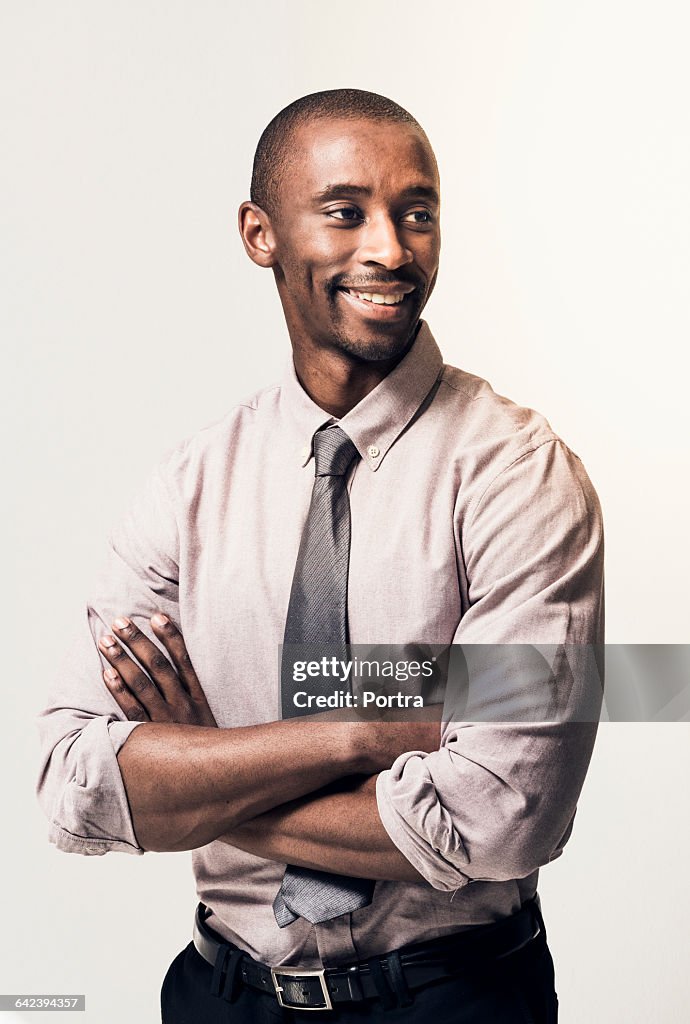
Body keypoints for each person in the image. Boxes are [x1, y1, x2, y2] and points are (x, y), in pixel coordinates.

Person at [36, 89, 604, 1023]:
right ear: (260, 234)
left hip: (451, 998)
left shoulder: (521, 478)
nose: (390, 247)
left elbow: (506, 818)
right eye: (346, 212)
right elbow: (74, 780)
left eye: (415, 213)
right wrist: (366, 735)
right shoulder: (190, 486)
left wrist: (205, 773)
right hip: (221, 995)